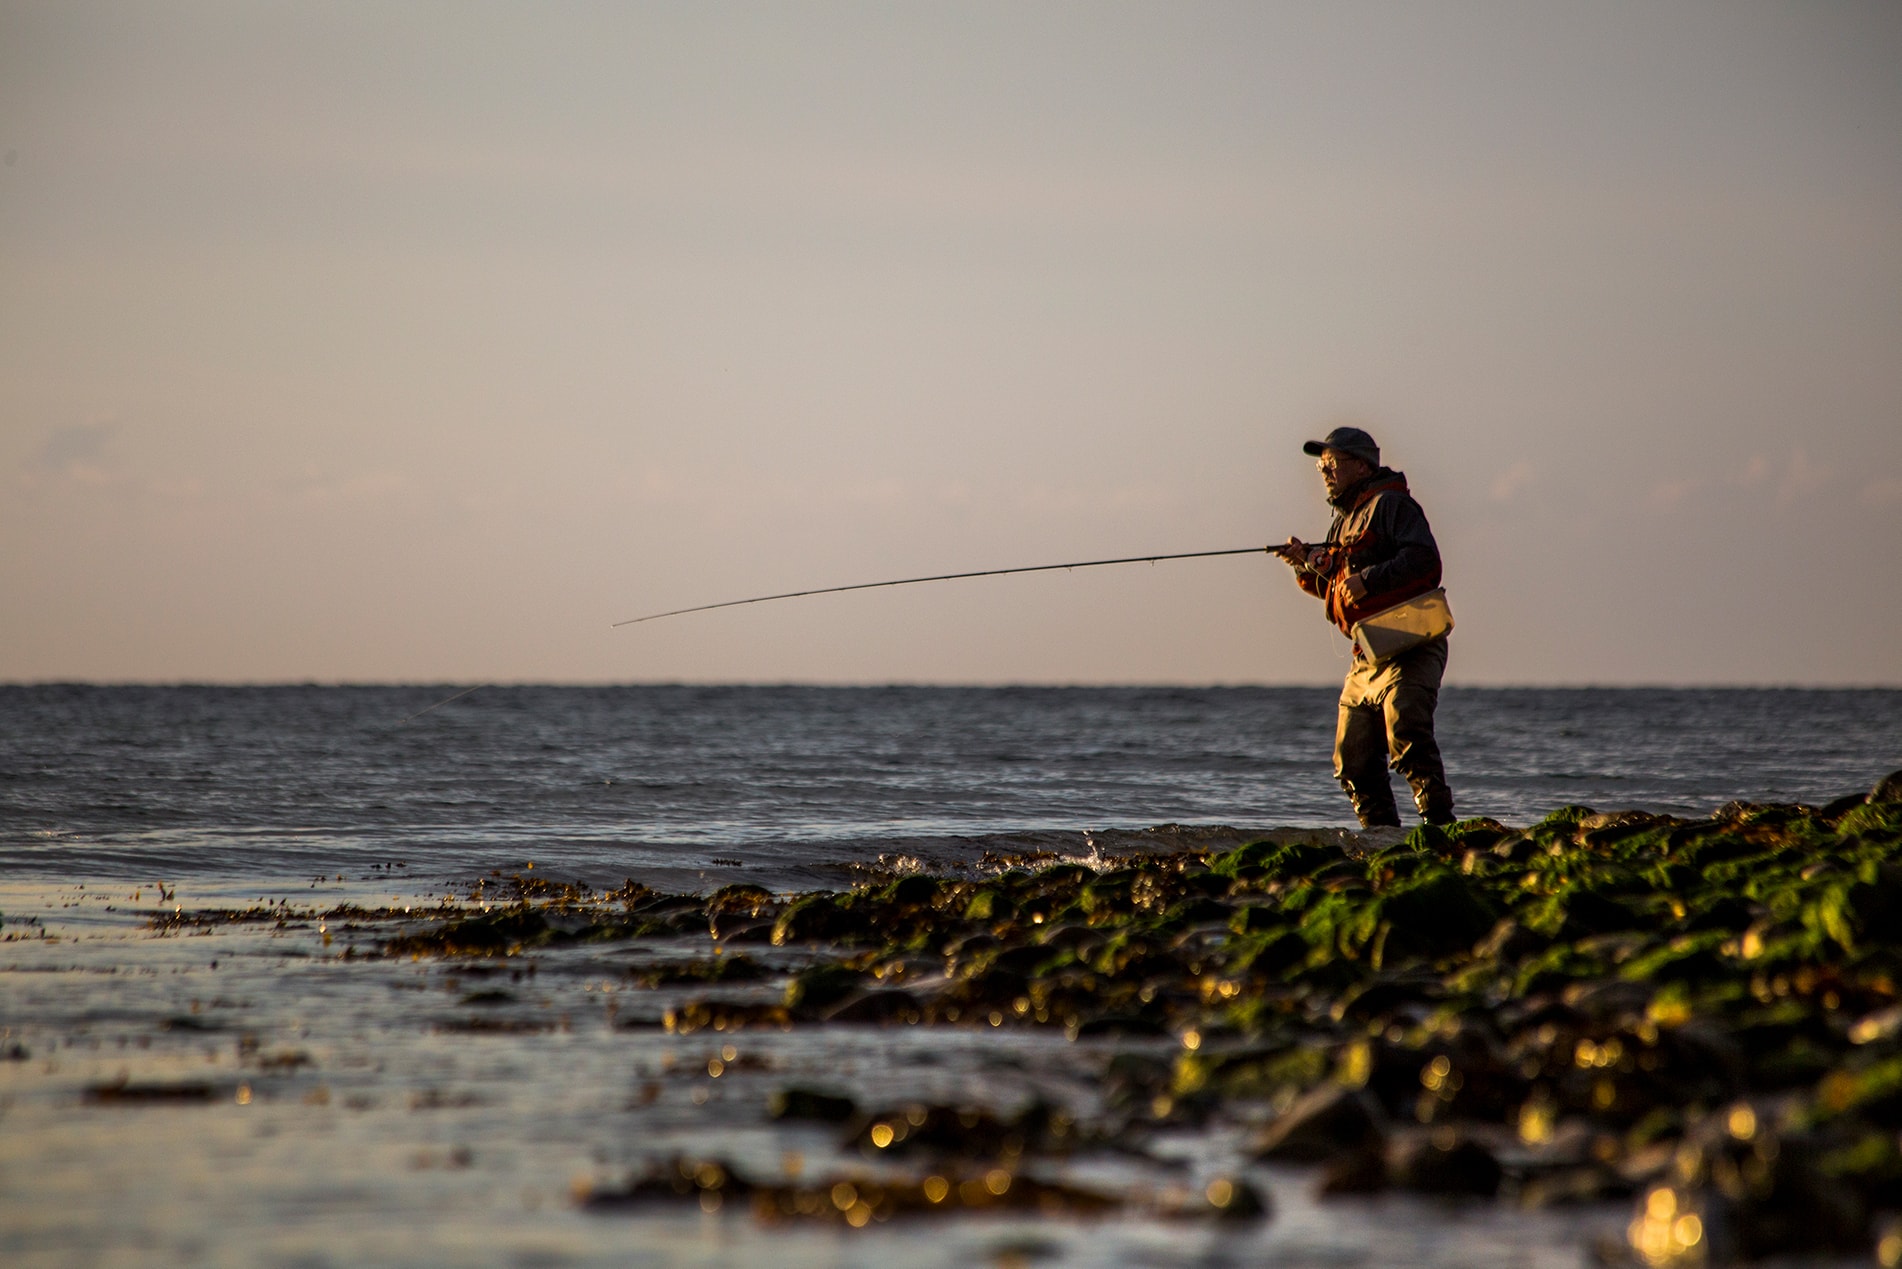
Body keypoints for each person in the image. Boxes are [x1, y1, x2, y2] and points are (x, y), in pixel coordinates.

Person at [1272, 426, 1454, 827]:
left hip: (1410, 645)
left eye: (1331, 464)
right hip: (1367, 654)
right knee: (1352, 760)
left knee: (1408, 732)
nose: (1324, 472)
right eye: (1321, 466)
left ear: (1359, 465)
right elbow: (1337, 588)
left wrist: (1369, 580)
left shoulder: (1393, 505)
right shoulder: (1342, 523)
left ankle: (1440, 832)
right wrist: (1307, 563)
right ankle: (1381, 841)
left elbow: (1425, 560)